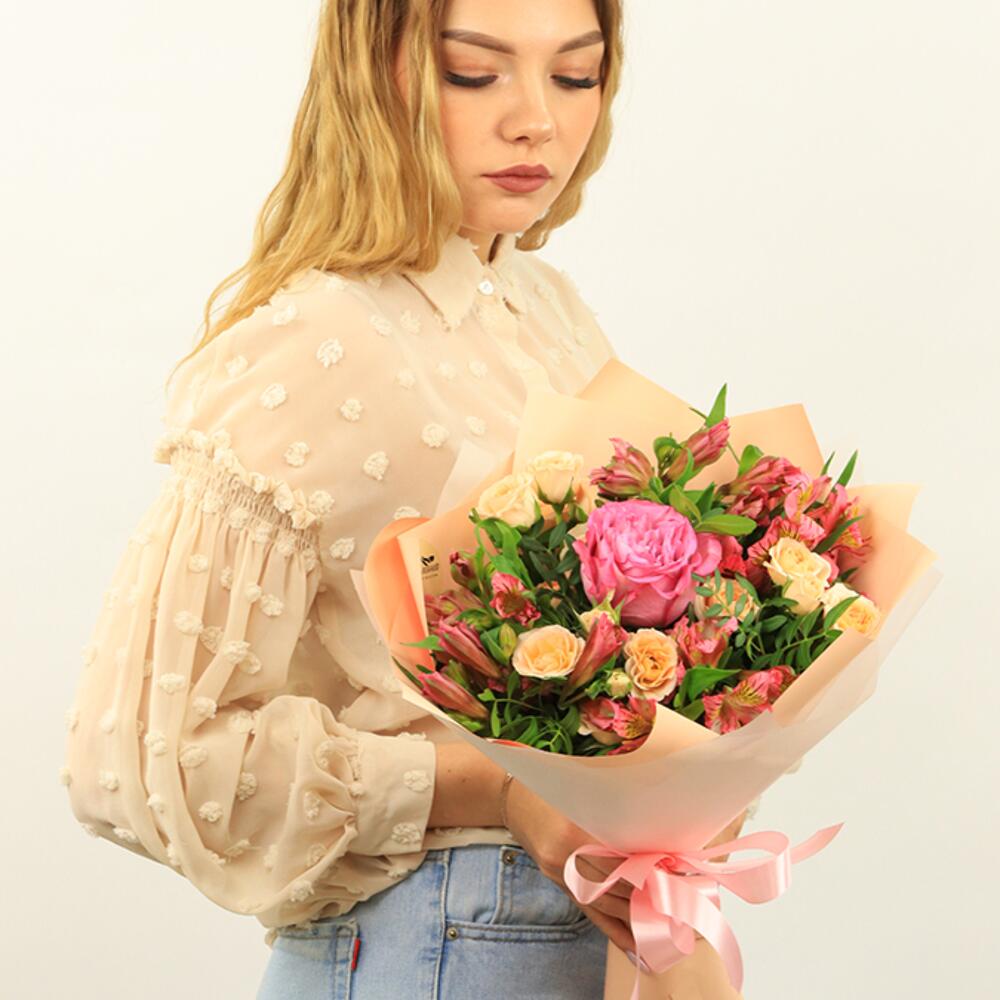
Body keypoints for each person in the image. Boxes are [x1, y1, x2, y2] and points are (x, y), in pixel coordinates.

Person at [62, 1, 746, 996]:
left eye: (575, 74)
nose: (536, 120)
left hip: (575, 935)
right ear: (373, 74)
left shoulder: (546, 309)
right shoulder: (317, 337)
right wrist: (499, 790)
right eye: (476, 71)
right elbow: (132, 756)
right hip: (439, 941)